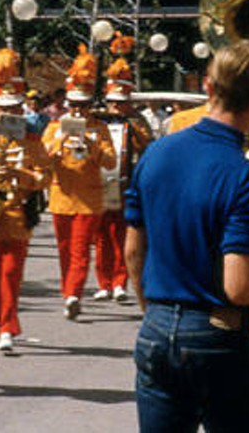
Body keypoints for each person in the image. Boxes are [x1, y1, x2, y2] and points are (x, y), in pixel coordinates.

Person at [124, 40, 249, 431]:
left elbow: (133, 251)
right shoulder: (248, 178)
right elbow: (240, 286)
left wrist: (155, 312)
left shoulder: (156, 152)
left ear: (209, 88)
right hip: (216, 333)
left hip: (157, 324)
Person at [0, 47, 49, 354]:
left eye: (15, 109)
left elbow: (46, 177)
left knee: (10, 273)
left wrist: (23, 174)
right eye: (3, 109)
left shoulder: (32, 142)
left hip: (18, 213)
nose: (9, 114)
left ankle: (8, 326)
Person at [43, 45, 115, 319]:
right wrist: (60, 141)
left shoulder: (100, 127)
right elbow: (43, 159)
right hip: (61, 196)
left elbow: (109, 162)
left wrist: (92, 144)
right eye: (74, 105)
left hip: (89, 199)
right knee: (64, 250)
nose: (79, 110)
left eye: (84, 105)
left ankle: (74, 293)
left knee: (81, 249)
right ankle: (68, 292)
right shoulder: (54, 127)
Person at [94, 40, 152, 301]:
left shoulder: (137, 123)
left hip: (126, 183)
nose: (116, 108)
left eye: (121, 103)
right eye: (113, 103)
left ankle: (120, 282)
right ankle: (103, 282)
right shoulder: (97, 122)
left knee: (122, 235)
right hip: (101, 183)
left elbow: (147, 147)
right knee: (102, 236)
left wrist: (132, 125)